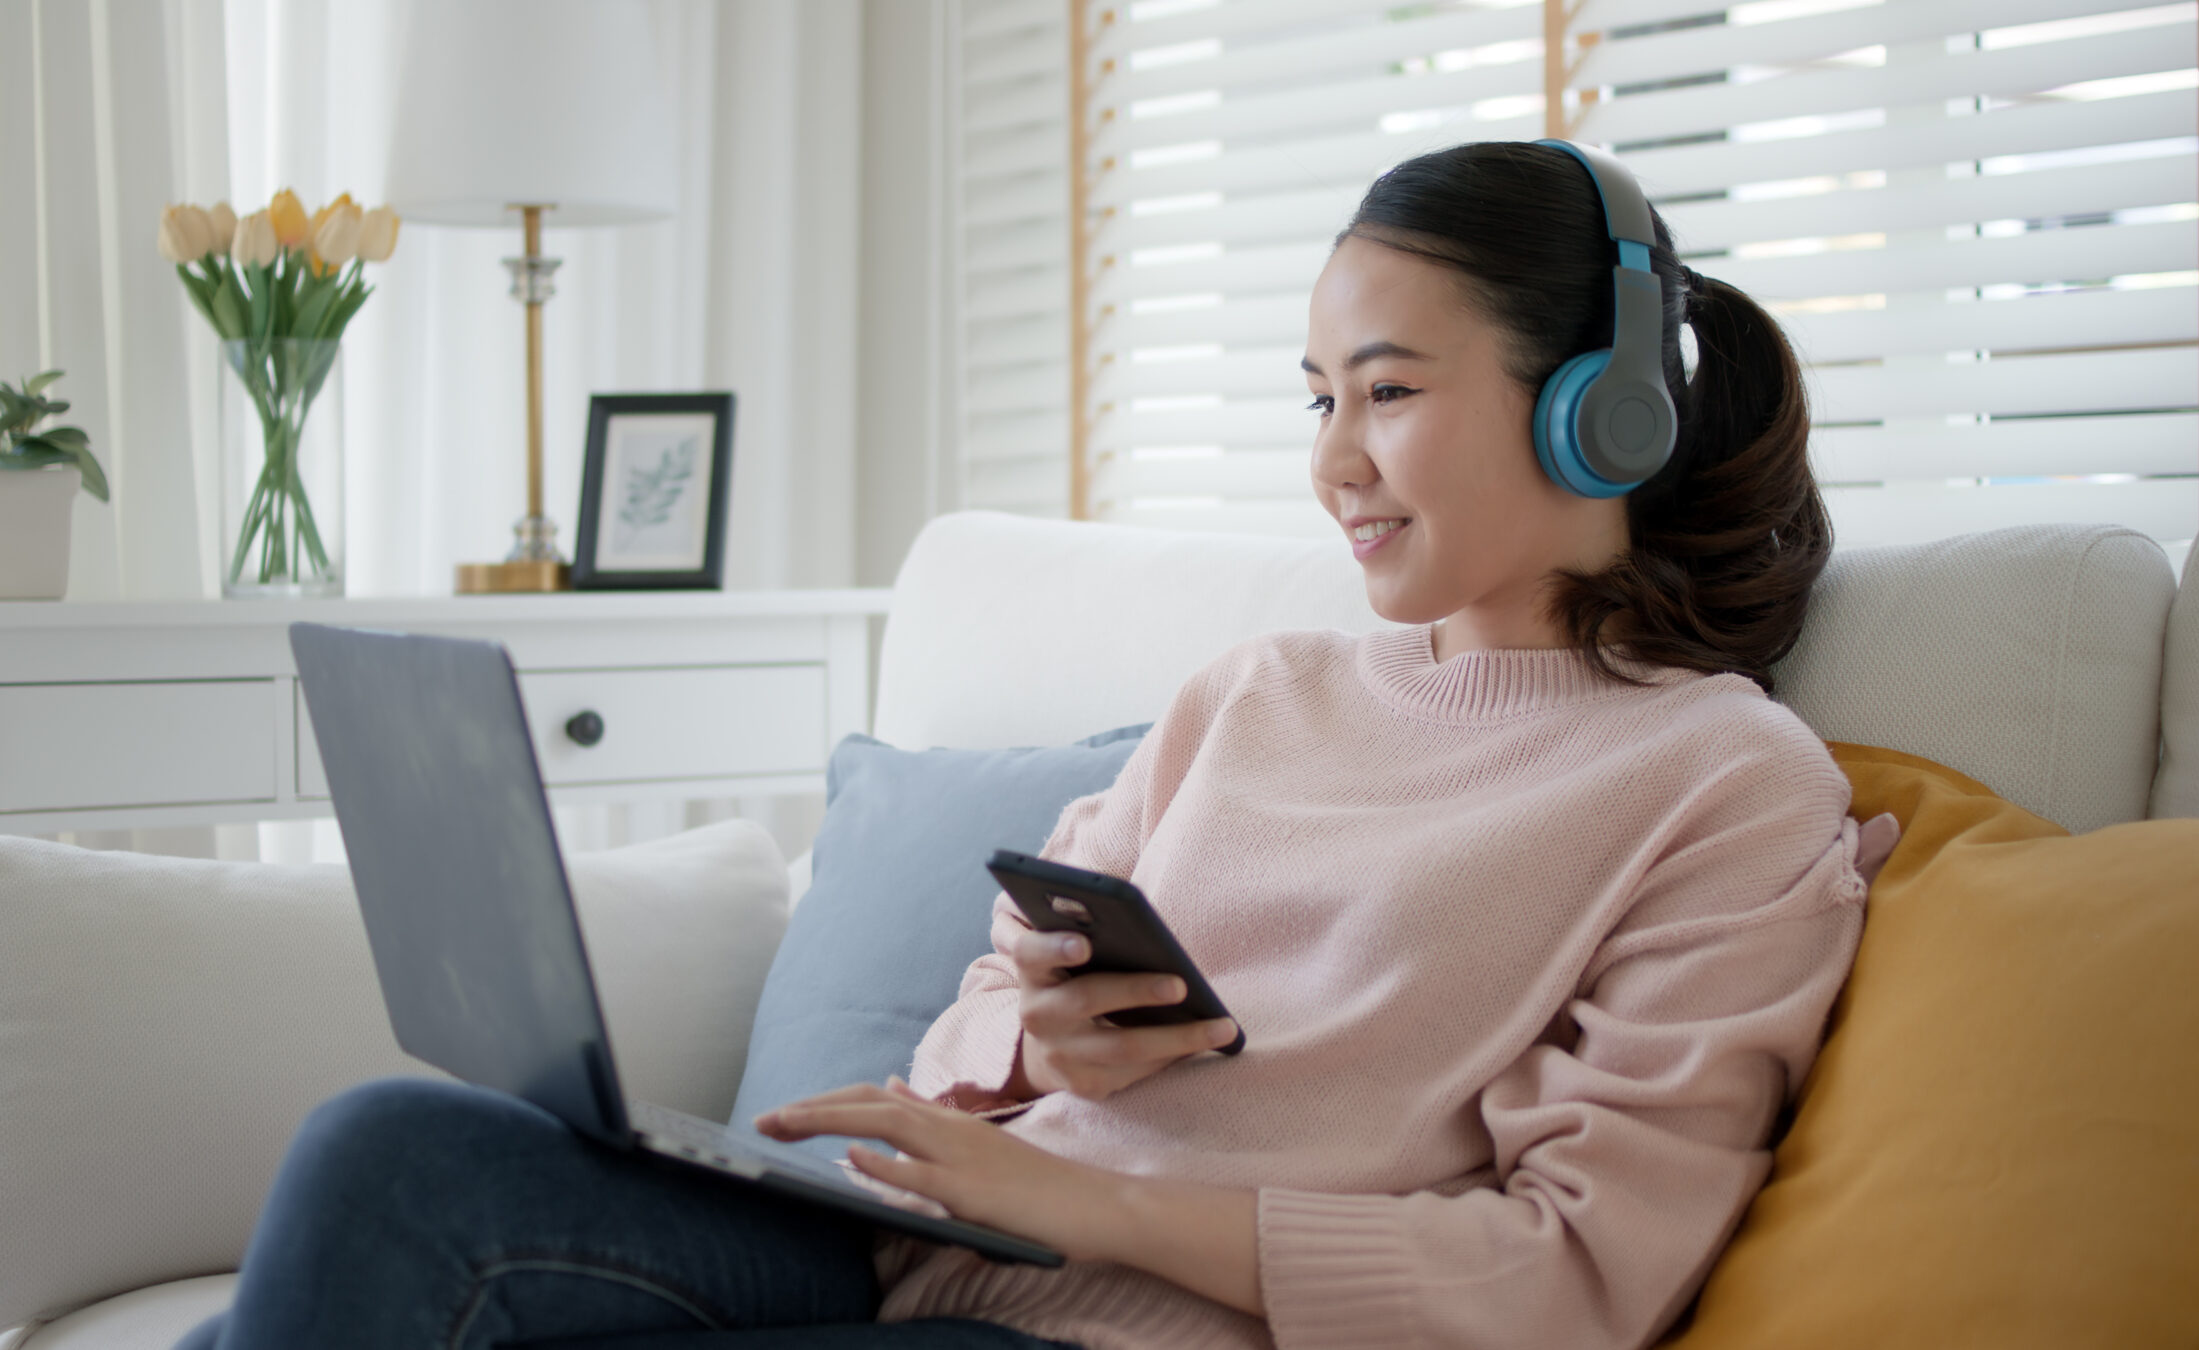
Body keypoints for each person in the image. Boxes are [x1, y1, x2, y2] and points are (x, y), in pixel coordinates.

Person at [177, 140, 1897, 1350]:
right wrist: (1039, 1047)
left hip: (1123, 1323)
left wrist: (1097, 1209)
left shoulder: (1719, 788)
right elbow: (989, 1002)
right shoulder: (1253, 694)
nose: (1333, 463)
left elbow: (1572, 1278)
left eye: (1387, 391)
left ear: (1602, 410)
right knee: (385, 1156)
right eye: (1319, 397)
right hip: (910, 1250)